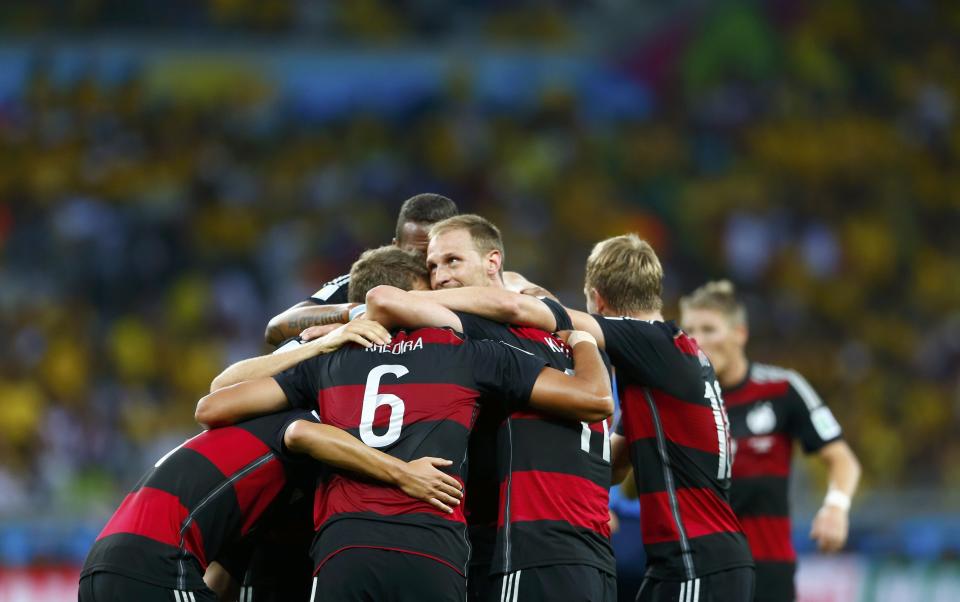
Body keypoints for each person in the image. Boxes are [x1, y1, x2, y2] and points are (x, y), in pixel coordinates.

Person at [194, 245, 615, 602]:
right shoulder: (466, 352)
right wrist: (580, 339)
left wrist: (324, 340)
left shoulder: (330, 360)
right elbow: (593, 400)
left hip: (344, 548)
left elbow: (213, 404)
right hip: (433, 551)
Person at [424, 234, 756, 602]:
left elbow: (529, 314)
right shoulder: (669, 362)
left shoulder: (652, 342)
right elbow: (613, 466)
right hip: (690, 559)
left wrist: (412, 299)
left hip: (697, 559)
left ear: (597, 299)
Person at [79, 322, 462, 602]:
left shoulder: (244, 449)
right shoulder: (294, 420)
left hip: (103, 565)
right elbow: (301, 434)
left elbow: (223, 574)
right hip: (157, 565)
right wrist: (402, 472)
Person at [357, 214, 617, 602]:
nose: (440, 275)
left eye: (452, 261)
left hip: (526, 549)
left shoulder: (488, 334)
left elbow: (384, 300)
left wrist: (341, 324)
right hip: (593, 555)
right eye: (432, 266)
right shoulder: (572, 343)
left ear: (493, 263)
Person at [679, 280, 861, 602]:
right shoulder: (678, 400)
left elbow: (842, 458)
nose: (698, 341)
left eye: (709, 329)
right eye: (690, 330)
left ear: (740, 333)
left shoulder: (782, 389)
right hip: (696, 571)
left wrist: (835, 508)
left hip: (767, 572)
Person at [263, 193, 458, 346]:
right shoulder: (368, 280)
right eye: (418, 254)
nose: (430, 263)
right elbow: (276, 327)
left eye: (446, 256)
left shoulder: (473, 279)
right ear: (395, 247)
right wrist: (358, 312)